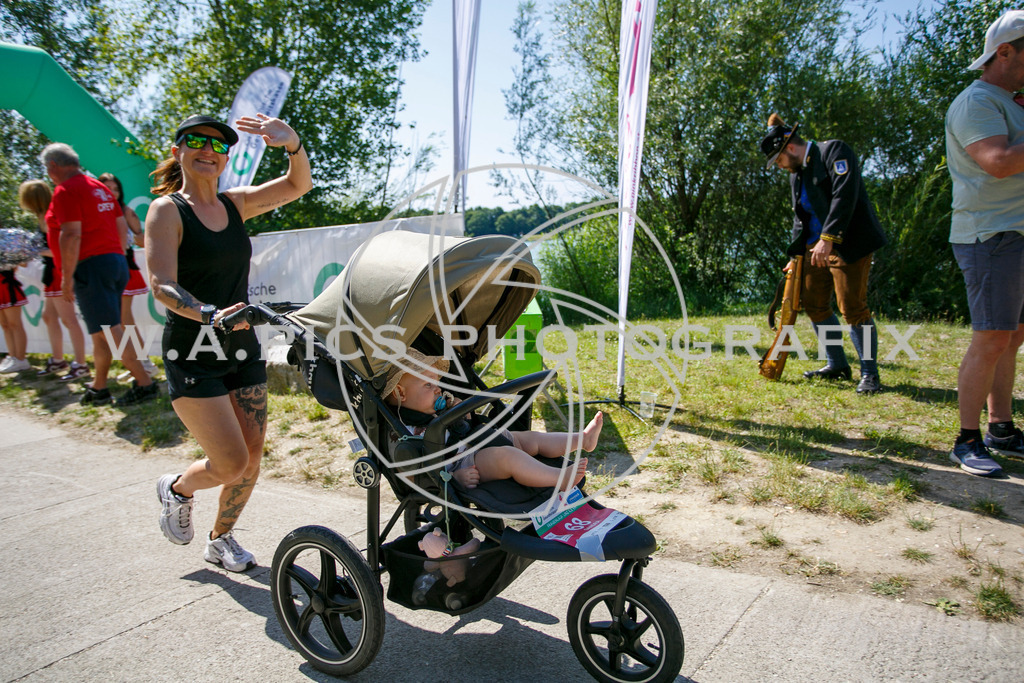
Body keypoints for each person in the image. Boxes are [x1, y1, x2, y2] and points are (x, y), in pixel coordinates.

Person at [148, 113, 312, 571]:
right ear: (178, 150)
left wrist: (292, 144)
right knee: (230, 462)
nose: (209, 150)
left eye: (219, 145)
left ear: (225, 158)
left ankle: (220, 539)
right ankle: (178, 488)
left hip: (241, 346)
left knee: (252, 458)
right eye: (197, 141)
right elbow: (161, 284)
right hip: (193, 351)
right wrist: (208, 313)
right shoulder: (167, 211)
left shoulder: (234, 204)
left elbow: (297, 186)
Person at [944, 10, 1024, 478]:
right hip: (991, 235)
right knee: (991, 337)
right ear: (1006, 51)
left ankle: (1002, 429)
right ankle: (966, 440)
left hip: (1015, 233)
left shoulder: (1011, 102)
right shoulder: (976, 102)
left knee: (1011, 336)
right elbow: (997, 161)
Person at [760, 114, 888, 394]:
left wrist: (828, 238)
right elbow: (800, 218)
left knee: (853, 308)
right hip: (813, 248)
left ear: (789, 148)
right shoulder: (796, 175)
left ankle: (870, 374)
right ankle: (838, 365)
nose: (779, 166)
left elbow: (845, 195)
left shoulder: (834, 151)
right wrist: (795, 254)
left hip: (848, 243)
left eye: (778, 160)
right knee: (814, 303)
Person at [382, 349, 602, 491]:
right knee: (508, 457)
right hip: (467, 463)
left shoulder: (439, 405)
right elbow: (413, 476)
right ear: (401, 393)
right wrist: (454, 478)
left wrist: (461, 411)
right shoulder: (402, 432)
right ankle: (559, 479)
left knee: (529, 439)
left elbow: (465, 424)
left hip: (479, 440)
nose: (438, 389)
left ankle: (583, 439)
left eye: (437, 382)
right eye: (428, 385)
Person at [42, 143, 157, 404]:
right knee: (101, 330)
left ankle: (145, 383)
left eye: (47, 169)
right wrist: (116, 255)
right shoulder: (99, 187)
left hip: (90, 266)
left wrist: (66, 277)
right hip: (113, 262)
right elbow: (120, 224)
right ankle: (99, 386)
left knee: (109, 328)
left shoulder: (66, 190)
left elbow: (71, 234)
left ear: (53, 166)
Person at [17, 179, 90, 381]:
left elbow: (62, 248)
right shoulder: (44, 216)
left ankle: (81, 364)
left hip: (59, 271)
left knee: (69, 319)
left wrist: (37, 251)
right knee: (49, 317)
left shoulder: (52, 215)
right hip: (51, 272)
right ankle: (58, 359)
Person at [97, 172, 159, 380]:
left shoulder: (126, 212)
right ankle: (137, 363)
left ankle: (144, 363)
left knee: (123, 319)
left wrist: (125, 236)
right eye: (107, 189)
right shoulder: (95, 212)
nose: (112, 193)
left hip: (123, 268)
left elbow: (144, 239)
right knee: (115, 321)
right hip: (104, 270)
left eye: (115, 189)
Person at [0, 261, 29, 375]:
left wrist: (10, 261)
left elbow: (23, 263)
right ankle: (12, 356)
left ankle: (21, 359)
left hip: (7, 285)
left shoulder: (7, 250)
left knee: (15, 324)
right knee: (5, 325)